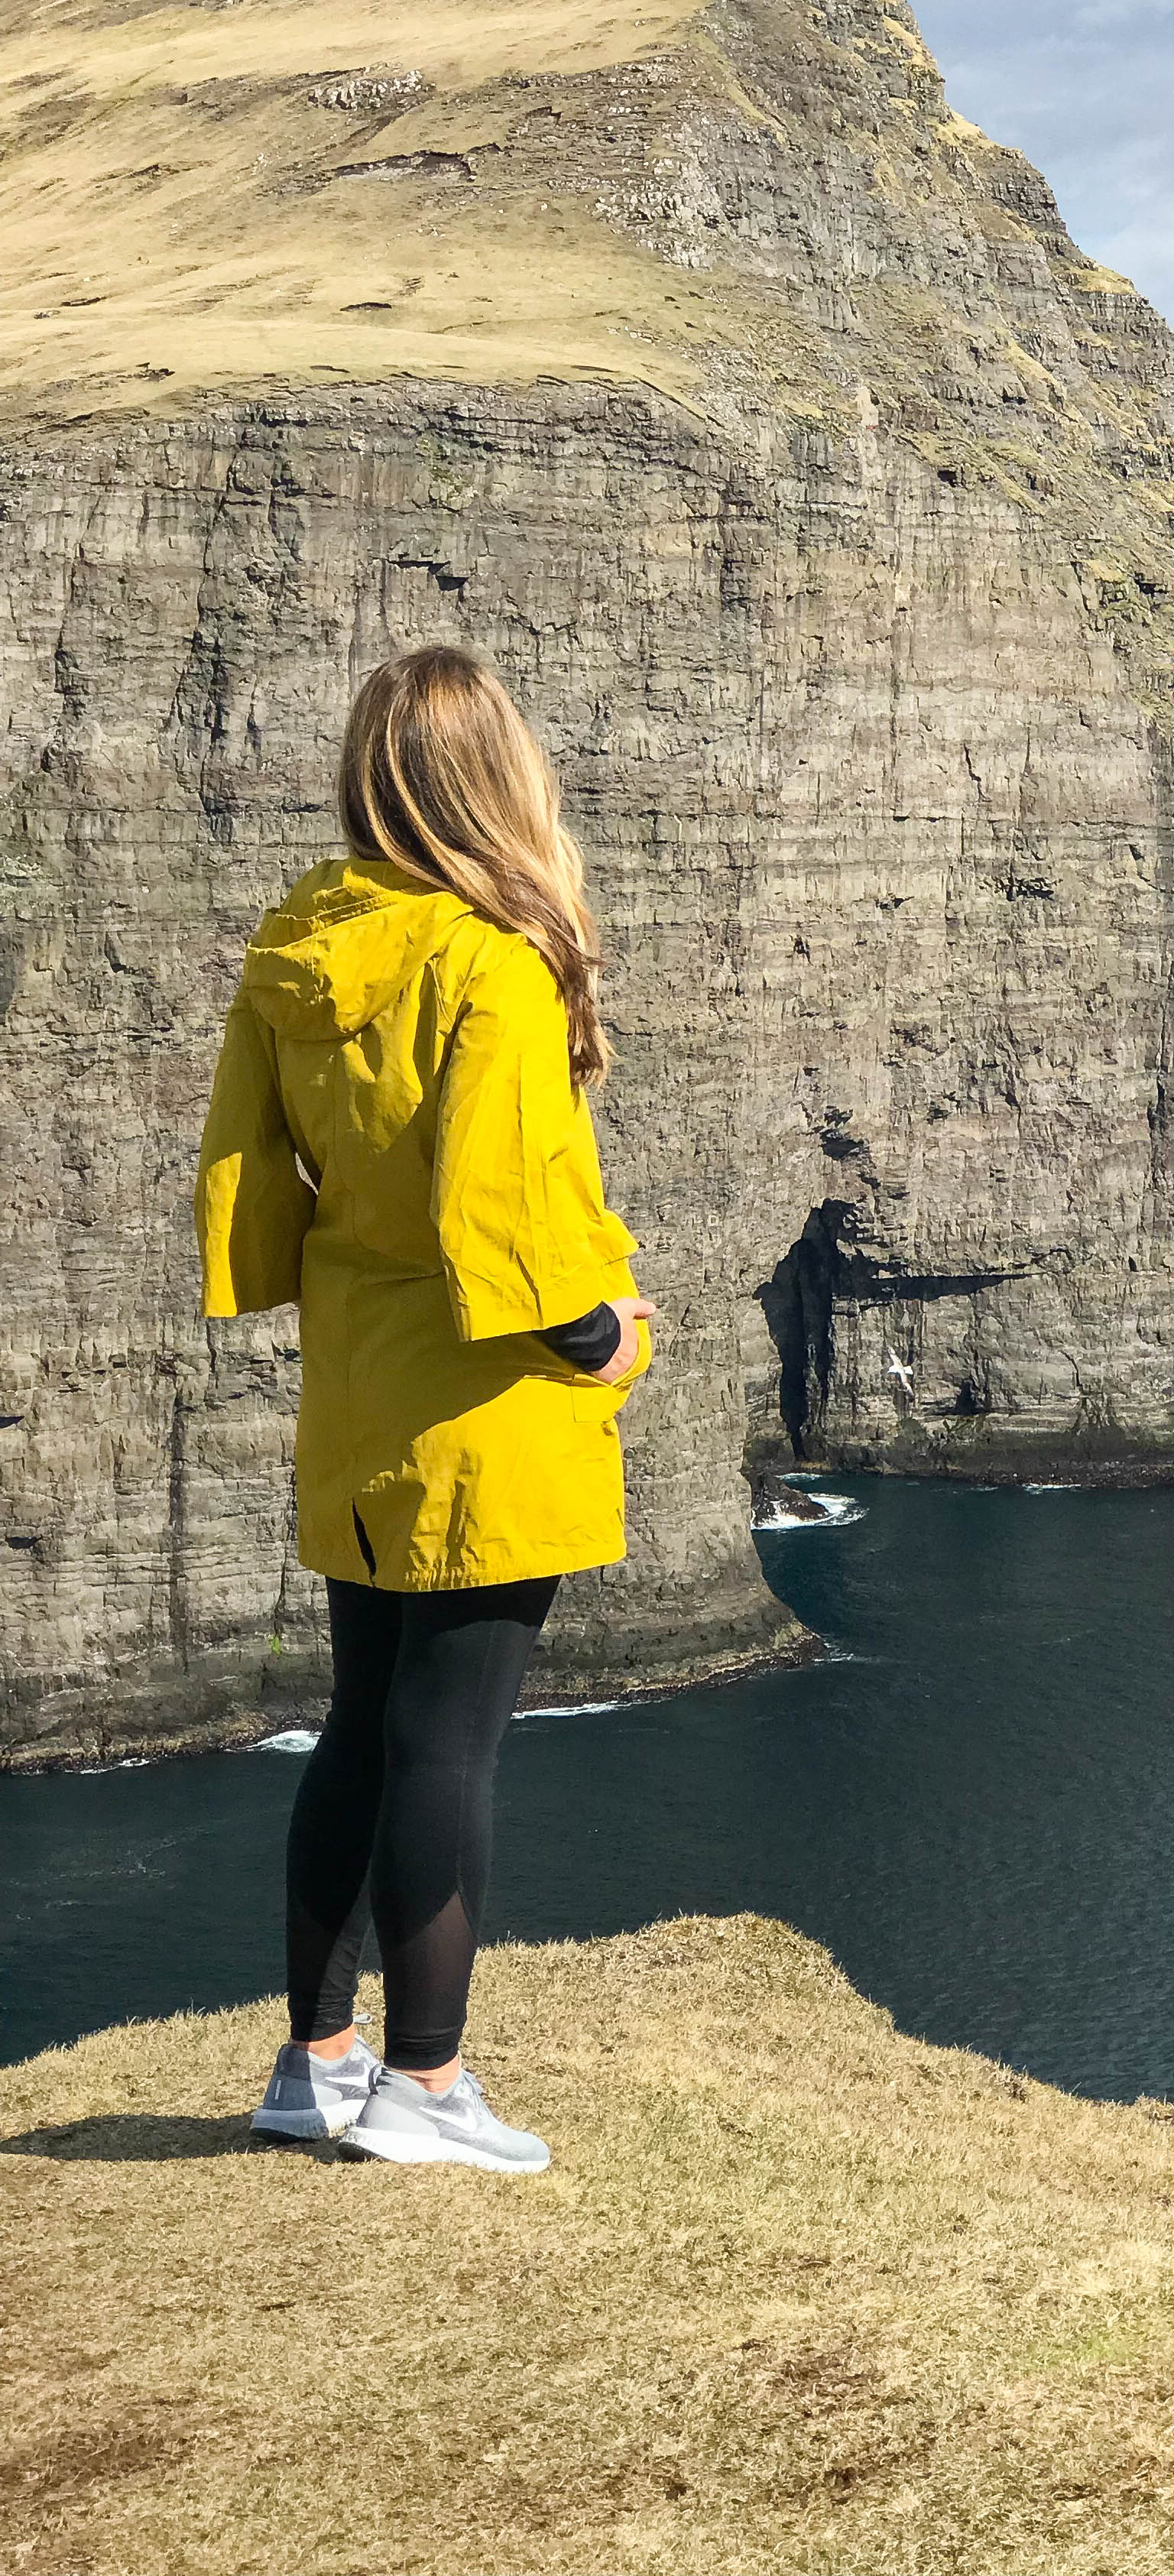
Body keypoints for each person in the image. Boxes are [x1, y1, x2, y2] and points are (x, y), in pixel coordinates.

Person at [195, 644, 654, 2175]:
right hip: (483, 1402)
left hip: (361, 1381)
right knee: (452, 1746)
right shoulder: (491, 961)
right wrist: (606, 1335)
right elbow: (502, 1210)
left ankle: (315, 2063)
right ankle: (427, 2087)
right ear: (493, 778)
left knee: (358, 1727)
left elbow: (253, 1175)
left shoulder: (299, 942)